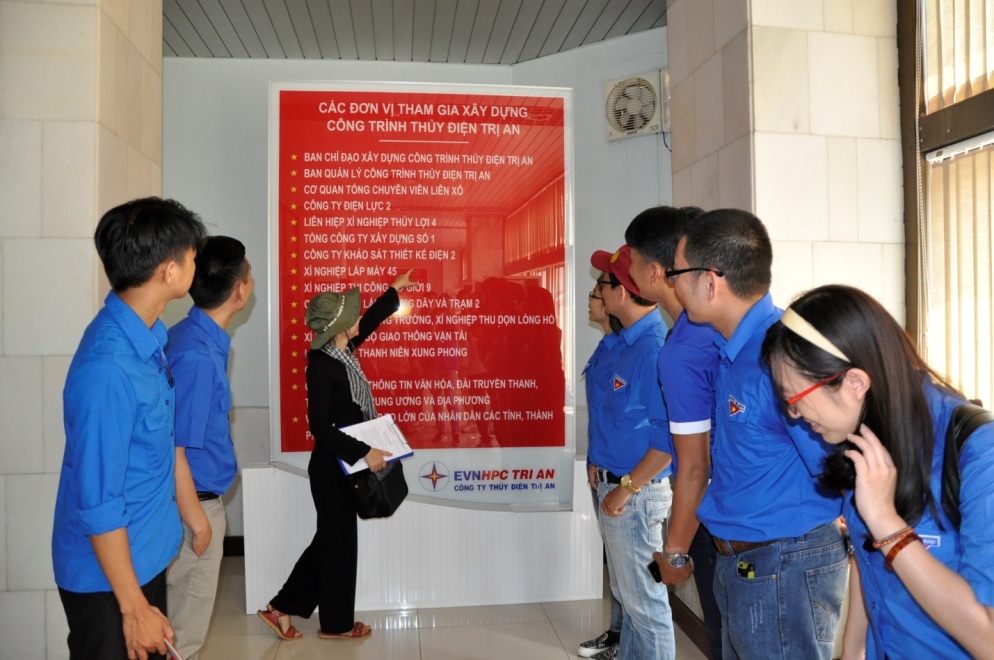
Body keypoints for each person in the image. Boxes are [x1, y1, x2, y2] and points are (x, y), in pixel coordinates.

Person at [761, 285, 994, 659]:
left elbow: (989, 638)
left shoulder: (979, 452)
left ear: (855, 383)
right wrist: (853, 650)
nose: (795, 414)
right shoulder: (862, 435)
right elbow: (867, 560)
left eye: (795, 399)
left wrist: (888, 525)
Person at [671, 208, 847, 659]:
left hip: (784, 566)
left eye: (677, 273)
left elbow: (837, 462)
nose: (673, 285)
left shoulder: (783, 356)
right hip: (746, 564)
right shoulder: (733, 350)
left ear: (711, 282)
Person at [53, 197, 208, 660]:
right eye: (192, 257)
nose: (195, 265)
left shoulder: (148, 337)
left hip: (144, 557)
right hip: (109, 584)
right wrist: (133, 607)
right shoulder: (109, 368)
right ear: (169, 270)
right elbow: (98, 501)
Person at [258, 270, 416, 640]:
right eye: (352, 317)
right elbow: (320, 427)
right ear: (339, 327)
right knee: (336, 545)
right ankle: (327, 622)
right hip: (332, 469)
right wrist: (365, 451)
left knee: (333, 544)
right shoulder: (323, 365)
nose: (358, 319)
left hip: (348, 465)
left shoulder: (343, 350)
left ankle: (287, 610)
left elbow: (371, 321)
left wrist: (393, 292)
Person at [625, 205, 723, 660]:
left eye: (631, 260)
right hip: (718, 514)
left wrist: (676, 551)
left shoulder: (688, 344)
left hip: (725, 519)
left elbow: (697, 463)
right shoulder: (692, 332)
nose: (627, 271)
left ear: (655, 271)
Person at [165, 236, 253, 659]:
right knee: (183, 639)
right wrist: (200, 525)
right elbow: (176, 451)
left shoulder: (194, 336)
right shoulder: (198, 357)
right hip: (192, 507)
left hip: (190, 502)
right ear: (240, 290)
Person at [587, 245, 676, 659]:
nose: (600, 293)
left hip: (634, 496)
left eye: (604, 285)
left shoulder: (653, 348)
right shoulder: (626, 343)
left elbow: (669, 439)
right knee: (630, 600)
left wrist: (624, 488)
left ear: (621, 292)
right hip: (618, 488)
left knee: (646, 607)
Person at [578, 271, 624, 659]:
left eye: (596, 294)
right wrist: (594, 458)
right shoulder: (606, 347)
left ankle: (625, 642)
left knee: (630, 577)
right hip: (604, 468)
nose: (591, 300)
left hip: (627, 480)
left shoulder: (633, 350)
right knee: (618, 569)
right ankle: (617, 635)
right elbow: (602, 414)